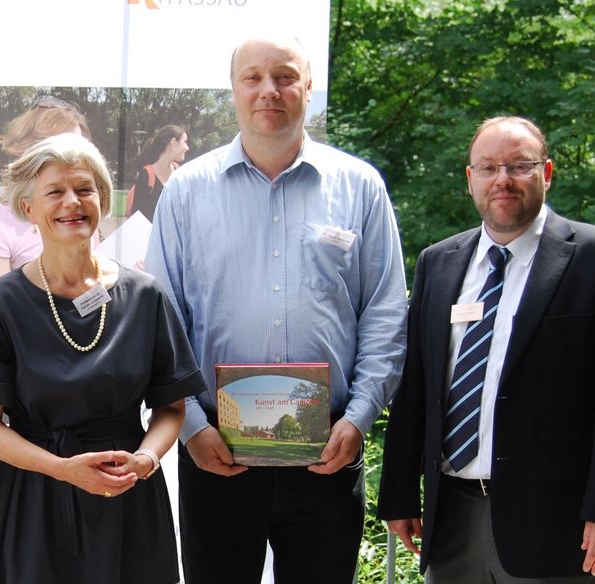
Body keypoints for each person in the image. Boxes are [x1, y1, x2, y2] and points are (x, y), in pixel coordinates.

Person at [145, 35, 408, 583]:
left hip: (328, 452)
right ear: (233, 91)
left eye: (286, 76)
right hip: (216, 451)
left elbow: (384, 316)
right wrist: (191, 426)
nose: (270, 91)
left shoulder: (360, 188)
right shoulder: (186, 192)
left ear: (309, 87)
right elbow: (159, 323)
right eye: (253, 78)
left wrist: (359, 418)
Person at [377, 116, 595, 582]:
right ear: (471, 180)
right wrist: (399, 493)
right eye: (487, 168)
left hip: (555, 523)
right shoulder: (438, 262)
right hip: (451, 519)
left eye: (519, 166)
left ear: (546, 173)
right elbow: (417, 387)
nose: (502, 179)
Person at [0, 133, 205, 583]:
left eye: (84, 189)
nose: (72, 202)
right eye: (55, 191)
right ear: (28, 208)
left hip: (127, 495)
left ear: (103, 201)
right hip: (34, 495)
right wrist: (62, 470)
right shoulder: (0, 303)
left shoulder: (144, 296)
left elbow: (171, 407)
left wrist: (145, 460)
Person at [0, 95, 93, 284]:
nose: (74, 159)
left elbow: (98, 288)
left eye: (81, 148)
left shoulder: (85, 214)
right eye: (63, 149)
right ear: (30, 153)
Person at [126, 124, 189, 221]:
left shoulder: (178, 171)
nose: (187, 147)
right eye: (184, 142)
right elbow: (138, 217)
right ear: (173, 143)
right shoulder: (147, 174)